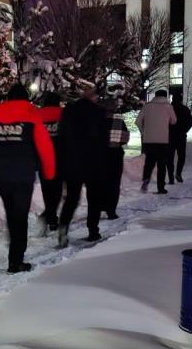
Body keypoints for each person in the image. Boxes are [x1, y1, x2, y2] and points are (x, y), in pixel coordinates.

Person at [0, 83, 55, 273]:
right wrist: (49, 172)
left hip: (2, 175)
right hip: (23, 174)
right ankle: (16, 260)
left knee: (12, 214)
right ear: (26, 99)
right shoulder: (31, 115)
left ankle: (14, 255)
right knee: (20, 216)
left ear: (8, 99)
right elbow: (45, 147)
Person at [56, 84, 108, 247]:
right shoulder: (98, 112)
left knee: (72, 198)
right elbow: (104, 140)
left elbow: (61, 136)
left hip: (72, 161)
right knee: (94, 198)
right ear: (92, 96)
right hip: (93, 161)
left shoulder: (68, 111)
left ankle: (63, 227)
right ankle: (93, 230)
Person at [135, 88, 176, 194]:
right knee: (162, 165)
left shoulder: (147, 106)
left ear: (155, 96)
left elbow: (138, 121)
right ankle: (161, 188)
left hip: (149, 140)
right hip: (163, 141)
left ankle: (146, 179)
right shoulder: (168, 107)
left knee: (149, 162)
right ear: (165, 96)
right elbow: (174, 121)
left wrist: (143, 132)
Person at [37, 92, 64, 235]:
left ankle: (50, 217)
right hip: (59, 157)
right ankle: (51, 216)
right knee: (57, 190)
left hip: (43, 158)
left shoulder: (38, 115)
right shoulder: (63, 114)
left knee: (46, 189)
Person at [102, 95, 130, 219]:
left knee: (99, 182)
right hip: (115, 154)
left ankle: (99, 205)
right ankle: (111, 210)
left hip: (99, 156)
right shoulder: (118, 121)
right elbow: (125, 138)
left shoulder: (96, 120)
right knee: (114, 183)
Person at [166, 90, 192, 184]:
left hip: (170, 136)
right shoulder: (185, 109)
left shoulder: (168, 109)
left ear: (173, 99)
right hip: (181, 136)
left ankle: (171, 177)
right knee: (181, 156)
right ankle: (178, 173)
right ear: (181, 100)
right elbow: (190, 122)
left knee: (170, 158)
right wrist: (184, 130)